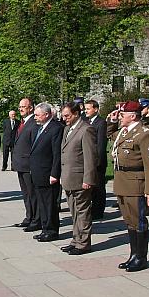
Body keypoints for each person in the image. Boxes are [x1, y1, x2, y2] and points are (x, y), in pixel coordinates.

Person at [107, 101, 149, 272]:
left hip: (136, 182)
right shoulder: (124, 131)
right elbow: (110, 135)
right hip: (122, 181)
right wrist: (113, 121)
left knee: (139, 222)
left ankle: (141, 257)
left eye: (122, 115)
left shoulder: (144, 135)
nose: (120, 117)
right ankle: (133, 255)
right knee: (129, 221)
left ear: (133, 116)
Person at [59, 102, 98, 255]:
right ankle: (76, 239)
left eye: (67, 116)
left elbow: (90, 157)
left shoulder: (86, 130)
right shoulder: (67, 129)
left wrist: (88, 179)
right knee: (74, 212)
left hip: (80, 179)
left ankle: (83, 243)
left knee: (82, 212)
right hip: (69, 178)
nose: (64, 119)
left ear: (76, 114)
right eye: (63, 116)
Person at [29, 103, 64, 242]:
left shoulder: (55, 128)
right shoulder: (41, 128)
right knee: (42, 203)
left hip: (48, 173)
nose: (35, 117)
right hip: (38, 173)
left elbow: (56, 153)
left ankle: (51, 230)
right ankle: (45, 228)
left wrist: (55, 173)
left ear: (47, 114)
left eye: (38, 115)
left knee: (50, 204)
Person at [12, 98, 39, 231]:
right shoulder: (22, 123)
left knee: (32, 193)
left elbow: (34, 145)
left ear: (31, 108)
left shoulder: (34, 123)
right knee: (26, 193)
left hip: (28, 165)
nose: (21, 109)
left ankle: (35, 219)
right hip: (20, 164)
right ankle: (29, 217)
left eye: (24, 106)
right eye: (20, 107)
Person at [83, 100, 107, 219]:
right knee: (91, 188)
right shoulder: (86, 122)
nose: (85, 111)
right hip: (89, 160)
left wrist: (97, 162)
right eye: (85, 109)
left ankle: (98, 211)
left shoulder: (101, 122)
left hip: (97, 162)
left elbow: (101, 144)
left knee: (98, 188)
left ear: (96, 109)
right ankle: (92, 209)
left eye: (88, 109)